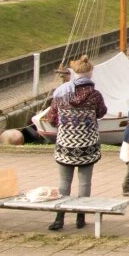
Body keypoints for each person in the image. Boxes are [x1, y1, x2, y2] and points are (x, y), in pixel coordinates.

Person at [43, 55, 106, 231]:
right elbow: (101, 112)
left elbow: (52, 118)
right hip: (88, 145)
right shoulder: (95, 95)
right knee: (85, 183)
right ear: (90, 74)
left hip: (65, 145)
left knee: (64, 182)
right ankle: (81, 217)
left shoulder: (61, 93)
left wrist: (67, 125)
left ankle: (59, 218)